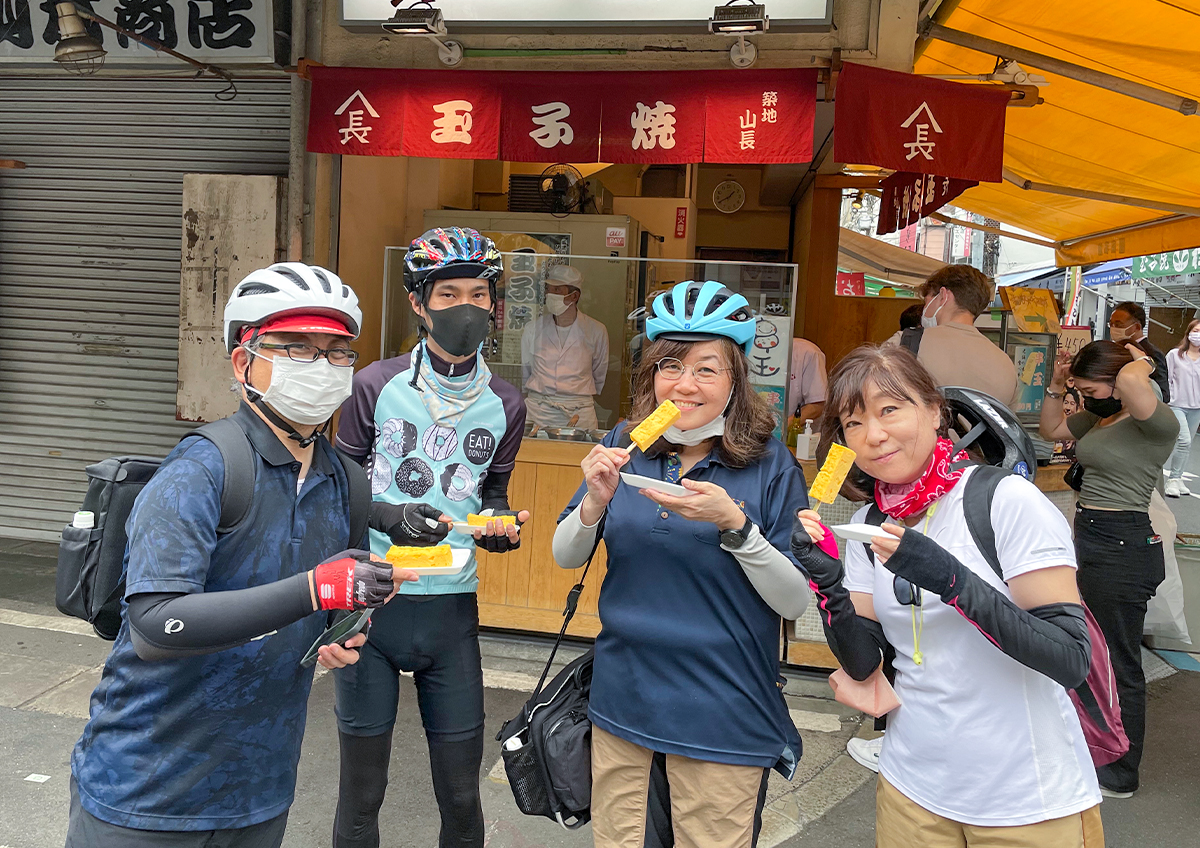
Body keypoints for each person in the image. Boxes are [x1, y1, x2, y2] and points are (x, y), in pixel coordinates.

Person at [67, 264, 422, 848]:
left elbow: (317, 611)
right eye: (297, 347)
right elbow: (156, 625)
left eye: (337, 351)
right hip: (144, 790)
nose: (321, 365)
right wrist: (315, 589)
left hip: (260, 788)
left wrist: (343, 627)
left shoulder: (346, 482)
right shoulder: (203, 469)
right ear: (243, 361)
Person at [793, 345, 1103, 847]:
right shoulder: (869, 526)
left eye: (889, 410)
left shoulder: (1004, 501)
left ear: (935, 410)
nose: (873, 435)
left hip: (1026, 796)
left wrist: (951, 579)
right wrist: (827, 584)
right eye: (853, 422)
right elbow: (864, 664)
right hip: (911, 789)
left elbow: (1069, 659)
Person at [553, 280, 809, 848]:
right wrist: (593, 501)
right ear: (651, 375)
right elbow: (565, 554)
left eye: (706, 370)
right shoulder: (626, 444)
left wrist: (736, 526)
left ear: (735, 380)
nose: (685, 385)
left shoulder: (770, 464)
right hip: (623, 698)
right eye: (670, 366)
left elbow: (795, 600)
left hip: (723, 708)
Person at [331, 227, 530, 848]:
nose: (465, 308)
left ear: (494, 305)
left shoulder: (507, 402)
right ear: (418, 304)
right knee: (362, 794)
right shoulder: (373, 385)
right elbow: (339, 488)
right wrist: (386, 515)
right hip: (372, 602)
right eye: (447, 295)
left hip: (451, 611)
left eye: (478, 294)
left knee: (462, 796)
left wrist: (498, 527)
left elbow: (493, 492)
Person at [1041, 340, 1178, 798]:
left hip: (1122, 545)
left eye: (1091, 389)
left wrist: (1142, 359)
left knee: (1119, 660)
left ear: (1119, 381)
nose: (1087, 398)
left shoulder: (1154, 421)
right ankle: (1094, 747)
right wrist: (1057, 386)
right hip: (1095, 537)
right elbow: (1051, 429)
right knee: (1092, 651)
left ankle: (1121, 770)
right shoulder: (1104, 416)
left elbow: (1133, 379)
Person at [885, 264, 1019, 407]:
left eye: (926, 300)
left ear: (943, 296)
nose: (924, 308)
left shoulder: (904, 343)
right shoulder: (1007, 366)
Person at [522, 264, 610, 428]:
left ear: (574, 296)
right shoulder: (533, 328)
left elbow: (599, 373)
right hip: (538, 410)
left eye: (557, 290)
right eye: (548, 289)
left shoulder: (596, 330)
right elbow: (526, 370)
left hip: (579, 411)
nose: (550, 295)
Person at [1164, 318, 1200, 497]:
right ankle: (1172, 479)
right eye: (1196, 331)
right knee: (1183, 440)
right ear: (1188, 333)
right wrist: (1168, 398)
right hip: (1177, 404)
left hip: (1197, 407)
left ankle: (1178, 479)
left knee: (1188, 443)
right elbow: (1166, 377)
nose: (1198, 335)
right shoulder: (1174, 355)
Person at [1109, 301, 1170, 403]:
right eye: (1111, 324)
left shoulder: (1152, 353)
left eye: (1119, 325)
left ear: (1137, 327)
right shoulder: (1114, 349)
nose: (1113, 328)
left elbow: (1163, 394)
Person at [787, 337, 827, 430]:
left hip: (800, 434)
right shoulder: (753, 350)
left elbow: (818, 405)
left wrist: (782, 428)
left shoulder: (808, 352)